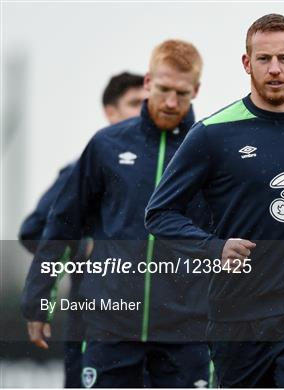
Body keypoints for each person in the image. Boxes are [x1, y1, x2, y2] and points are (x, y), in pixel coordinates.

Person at [145, 13, 284, 388]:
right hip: (237, 313)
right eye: (263, 59)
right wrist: (214, 247)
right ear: (246, 63)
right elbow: (159, 214)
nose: (274, 69)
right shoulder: (212, 133)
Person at [21, 40, 212, 388]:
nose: (171, 102)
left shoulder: (211, 148)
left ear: (196, 89)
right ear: (148, 82)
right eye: (164, 89)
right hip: (110, 327)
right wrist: (37, 299)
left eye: (182, 93)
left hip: (187, 333)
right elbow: (63, 222)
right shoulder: (106, 145)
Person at [19, 71, 146, 388]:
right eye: (134, 103)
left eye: (147, 103)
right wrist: (86, 247)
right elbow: (33, 229)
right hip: (93, 323)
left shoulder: (166, 169)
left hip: (156, 327)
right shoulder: (84, 169)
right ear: (110, 112)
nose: (142, 111)